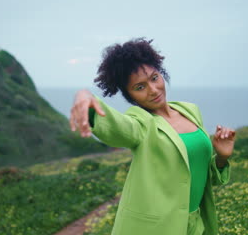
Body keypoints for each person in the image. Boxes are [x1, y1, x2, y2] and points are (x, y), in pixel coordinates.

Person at [69, 38, 235, 235]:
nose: (153, 90)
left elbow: (199, 177)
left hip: (195, 225)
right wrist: (84, 96)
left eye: (154, 78)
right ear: (130, 96)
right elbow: (117, 126)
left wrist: (222, 157)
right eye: (140, 87)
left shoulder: (191, 111)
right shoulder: (141, 123)